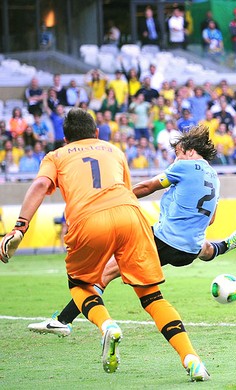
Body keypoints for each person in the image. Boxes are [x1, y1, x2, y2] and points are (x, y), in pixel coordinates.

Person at [0, 110, 210, 381]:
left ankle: (106, 324)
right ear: (97, 132)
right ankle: (191, 359)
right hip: (132, 217)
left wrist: (20, 226)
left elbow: (41, 183)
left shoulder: (57, 156)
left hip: (89, 220)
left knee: (80, 286)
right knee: (151, 296)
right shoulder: (114, 151)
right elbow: (125, 187)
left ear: (65, 138)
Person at [28, 124, 236, 337]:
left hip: (164, 240)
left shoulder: (184, 166)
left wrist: (116, 197)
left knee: (105, 272)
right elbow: (211, 220)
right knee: (202, 247)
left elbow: (147, 187)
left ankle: (62, 321)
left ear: (191, 151)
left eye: (178, 154)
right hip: (190, 249)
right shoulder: (215, 178)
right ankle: (223, 246)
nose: (175, 159)